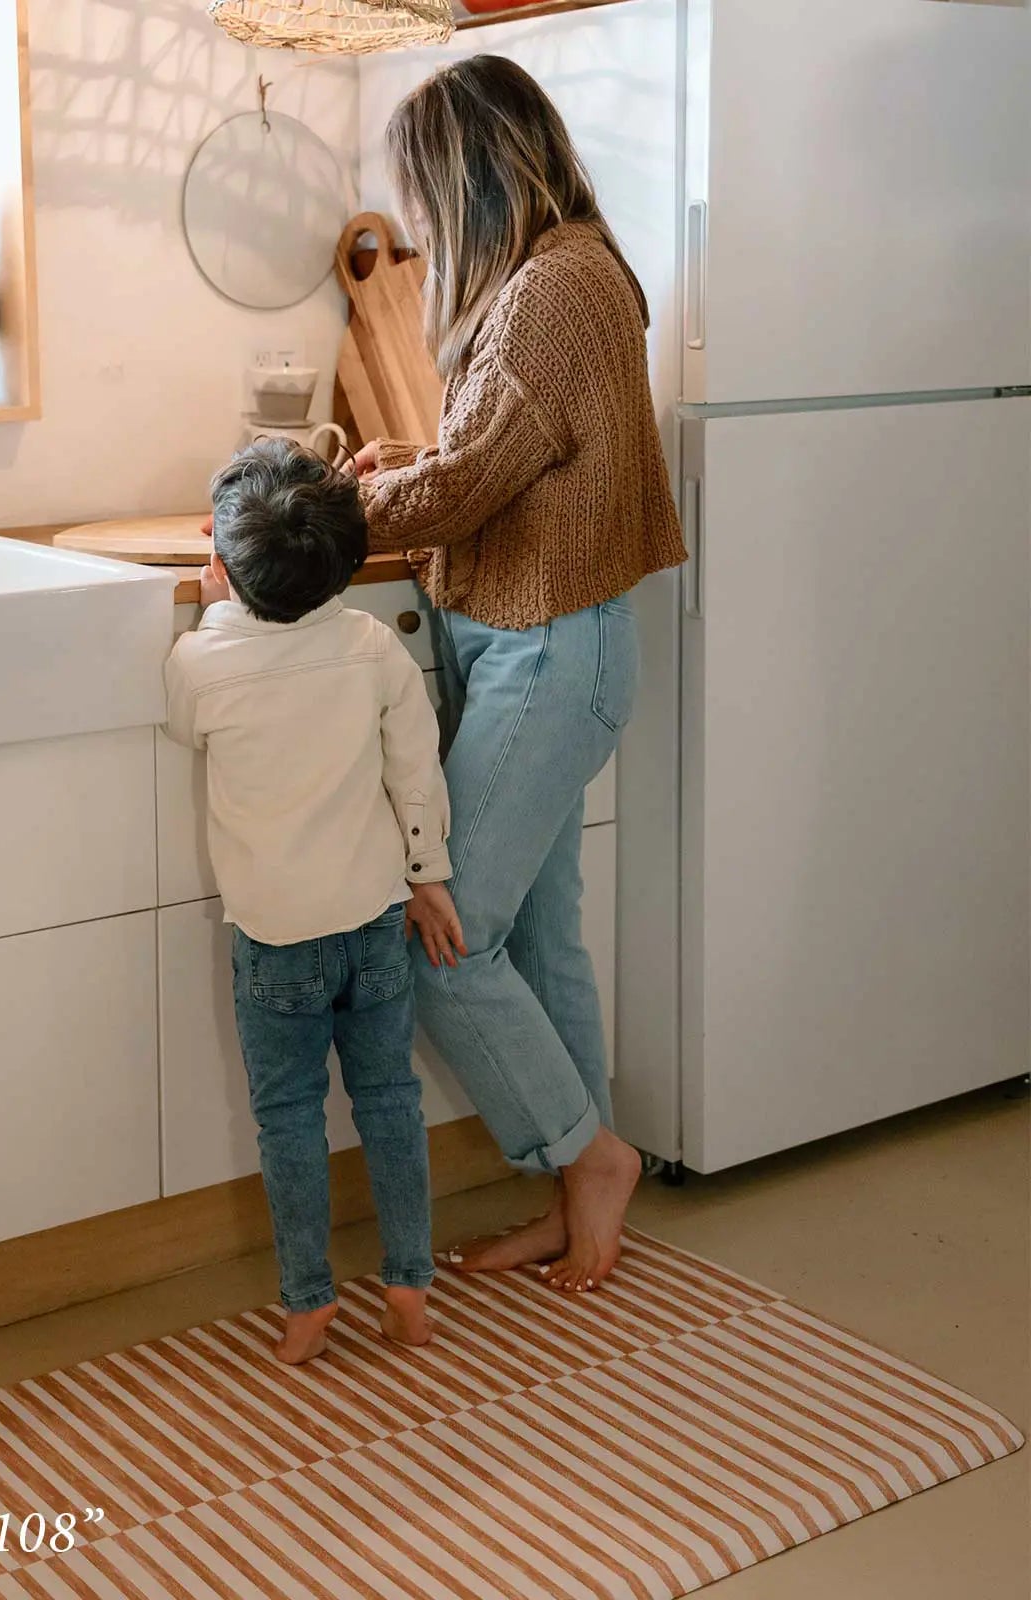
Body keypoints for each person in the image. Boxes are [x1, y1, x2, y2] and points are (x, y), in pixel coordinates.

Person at [356, 55, 688, 1293]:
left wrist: (341, 509)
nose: (424, 227)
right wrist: (408, 465)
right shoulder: (556, 277)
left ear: (469, 177)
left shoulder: (559, 287)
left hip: (550, 652)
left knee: (436, 933)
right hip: (531, 640)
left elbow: (469, 479)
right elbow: (497, 451)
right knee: (537, 937)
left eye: (426, 200)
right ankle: (578, 1184)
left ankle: (588, 1156)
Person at [163, 437, 464, 1364]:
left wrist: (218, 614)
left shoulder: (198, 663)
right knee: (388, 1099)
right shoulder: (373, 647)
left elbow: (184, 727)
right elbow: (416, 772)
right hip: (376, 917)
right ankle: (409, 1287)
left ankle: (308, 1305)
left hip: (276, 937)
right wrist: (428, 876)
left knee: (290, 1115)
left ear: (222, 564)